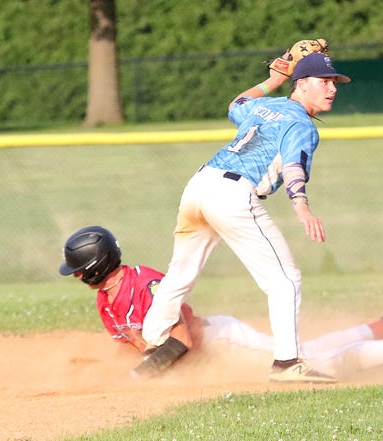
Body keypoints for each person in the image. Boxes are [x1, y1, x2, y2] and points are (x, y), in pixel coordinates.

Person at [139, 49, 356, 383]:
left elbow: (236, 105)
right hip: (232, 195)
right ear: (301, 85)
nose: (333, 88)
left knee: (180, 274)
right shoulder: (301, 123)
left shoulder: (268, 106)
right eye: (324, 81)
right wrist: (301, 206)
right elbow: (294, 165)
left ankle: (152, 344)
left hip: (199, 184)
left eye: (334, 82)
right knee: (285, 280)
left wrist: (272, 81)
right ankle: (286, 363)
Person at [59, 226, 383, 381]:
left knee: (317, 365)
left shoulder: (144, 284)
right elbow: (133, 346)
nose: (75, 275)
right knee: (316, 352)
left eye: (77, 269)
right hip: (216, 351)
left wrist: (142, 375)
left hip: (225, 341)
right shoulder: (106, 303)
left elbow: (185, 337)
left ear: (93, 268)